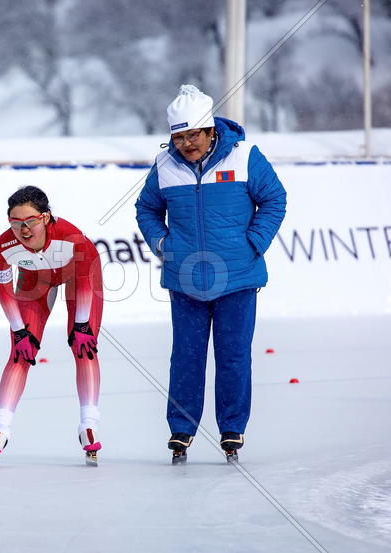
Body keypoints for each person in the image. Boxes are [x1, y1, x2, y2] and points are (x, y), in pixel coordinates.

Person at [135, 85, 287, 463]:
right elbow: (146, 209)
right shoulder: (165, 166)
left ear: (210, 130)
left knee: (234, 355)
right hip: (185, 278)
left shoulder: (245, 156)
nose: (187, 144)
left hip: (238, 277)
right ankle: (181, 430)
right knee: (185, 357)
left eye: (193, 135)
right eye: (179, 137)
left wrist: (253, 243)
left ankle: (232, 429)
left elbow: (274, 200)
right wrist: (162, 245)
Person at [0, 185, 104, 467]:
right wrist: (19, 331)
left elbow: (85, 281)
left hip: (80, 279)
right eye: (16, 223)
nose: (23, 230)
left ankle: (89, 424)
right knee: (20, 352)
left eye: (31, 221)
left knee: (83, 346)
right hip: (36, 280)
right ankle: (0, 428)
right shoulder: (3, 247)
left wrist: (82, 324)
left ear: (46, 217)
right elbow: (4, 292)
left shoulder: (72, 238)